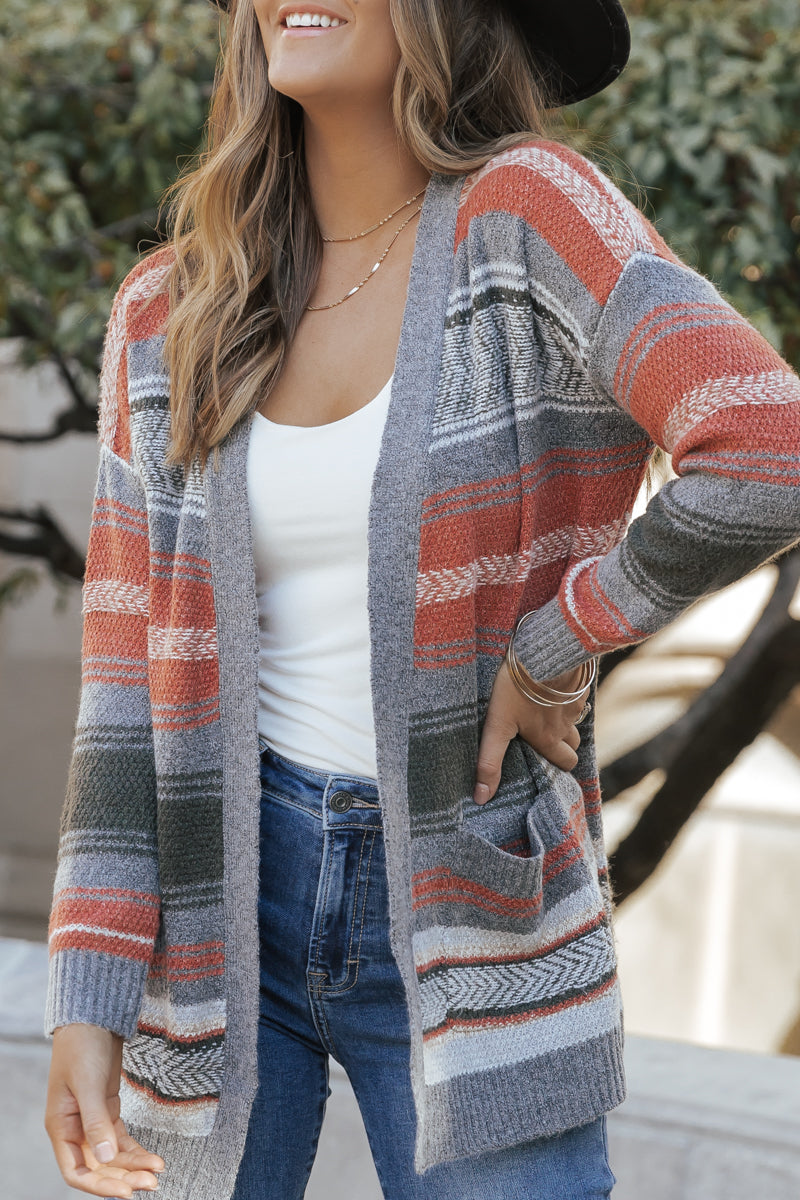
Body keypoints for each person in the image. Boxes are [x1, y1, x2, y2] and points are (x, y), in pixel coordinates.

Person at [43, 0, 800, 1197]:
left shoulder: (527, 218)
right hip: (214, 917)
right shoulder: (168, 308)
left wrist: (560, 640)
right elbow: (124, 688)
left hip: (475, 894)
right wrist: (87, 992)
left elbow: (769, 445)